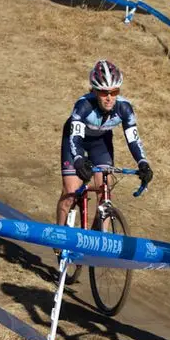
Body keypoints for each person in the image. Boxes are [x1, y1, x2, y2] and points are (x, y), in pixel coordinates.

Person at [57, 60, 153, 231]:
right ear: (94, 90)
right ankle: (58, 237)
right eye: (103, 92)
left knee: (105, 190)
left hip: (100, 143)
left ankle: (98, 237)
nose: (109, 97)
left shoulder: (125, 108)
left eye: (114, 91)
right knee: (70, 192)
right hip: (75, 140)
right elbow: (75, 139)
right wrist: (78, 160)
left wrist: (143, 163)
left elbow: (133, 139)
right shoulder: (83, 106)